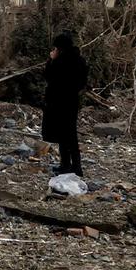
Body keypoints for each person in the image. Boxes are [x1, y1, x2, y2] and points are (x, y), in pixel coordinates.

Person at [42, 32, 88, 176]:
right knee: (69, 135)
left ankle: (68, 165)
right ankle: (73, 166)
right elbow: (82, 83)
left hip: (58, 103)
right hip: (71, 102)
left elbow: (49, 77)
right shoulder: (80, 60)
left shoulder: (61, 61)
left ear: (60, 48)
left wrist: (51, 60)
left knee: (64, 136)